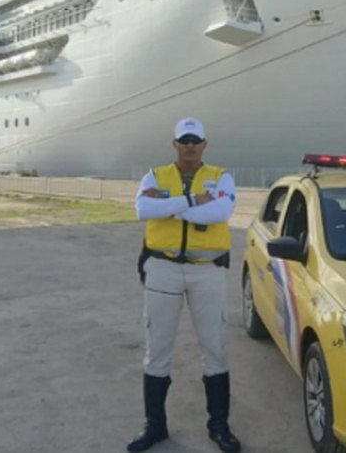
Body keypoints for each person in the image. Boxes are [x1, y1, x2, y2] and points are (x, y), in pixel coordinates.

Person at [128, 117, 241, 453]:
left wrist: (167, 208)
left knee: (215, 348)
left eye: (196, 140)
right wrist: (191, 203)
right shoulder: (155, 174)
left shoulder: (221, 176)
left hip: (207, 271)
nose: (190, 146)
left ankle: (219, 425)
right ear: (174, 144)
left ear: (205, 144)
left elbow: (220, 213)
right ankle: (155, 426)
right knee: (157, 349)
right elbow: (142, 209)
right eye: (184, 140)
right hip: (162, 269)